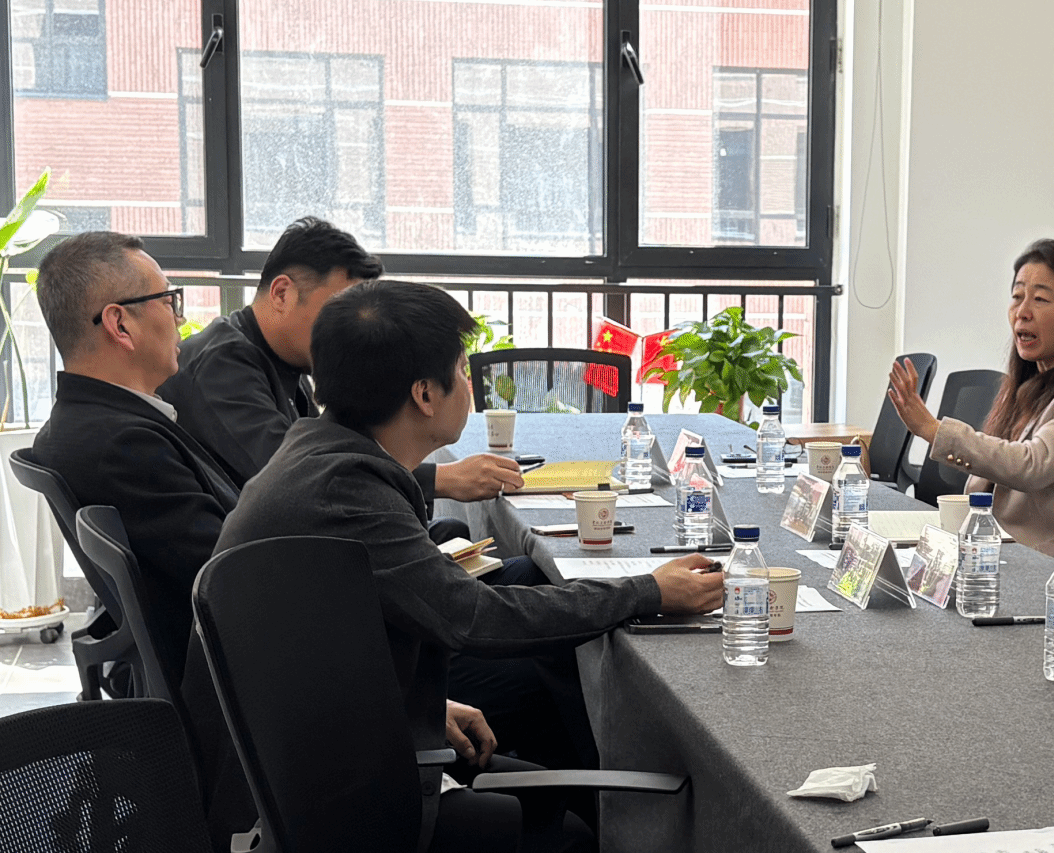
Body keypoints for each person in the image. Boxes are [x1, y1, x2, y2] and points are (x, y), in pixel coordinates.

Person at [187, 279, 727, 852]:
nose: (469, 385)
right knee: (566, 830)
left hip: (312, 755)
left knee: (553, 785)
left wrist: (422, 709)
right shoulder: (346, 489)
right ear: (424, 394)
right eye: (463, 371)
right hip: (327, 802)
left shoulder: (320, 454)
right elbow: (473, 619)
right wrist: (646, 592)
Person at [161, 215, 522, 501]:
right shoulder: (221, 365)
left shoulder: (289, 359)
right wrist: (442, 479)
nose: (352, 327)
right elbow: (298, 476)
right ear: (282, 294)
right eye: (340, 309)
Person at [28, 232, 239, 692]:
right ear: (120, 324)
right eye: (168, 301)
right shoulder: (122, 445)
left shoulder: (86, 422)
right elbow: (235, 573)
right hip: (234, 685)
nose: (179, 318)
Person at [886, 239, 1054, 555]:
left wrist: (933, 430)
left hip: (1047, 563)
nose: (1022, 312)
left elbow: (1032, 465)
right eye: (1017, 296)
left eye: (1040, 299)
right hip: (992, 549)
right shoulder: (1032, 386)